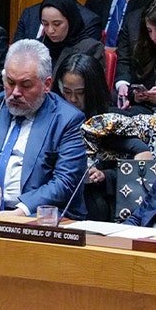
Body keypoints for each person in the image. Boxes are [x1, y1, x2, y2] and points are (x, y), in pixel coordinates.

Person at [0, 39, 88, 217]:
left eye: (26, 85)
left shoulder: (67, 120)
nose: (15, 92)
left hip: (35, 214)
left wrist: (20, 211)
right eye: (10, 82)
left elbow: (64, 182)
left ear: (47, 84)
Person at [54, 52, 118, 220]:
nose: (72, 99)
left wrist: (105, 175)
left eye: (80, 92)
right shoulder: (52, 118)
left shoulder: (110, 121)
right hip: (55, 193)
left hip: (93, 198)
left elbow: (134, 168)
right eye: (66, 92)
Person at [39, 0, 105, 66]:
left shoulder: (91, 48)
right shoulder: (40, 46)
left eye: (57, 24)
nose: (50, 30)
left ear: (71, 21)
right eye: (45, 24)